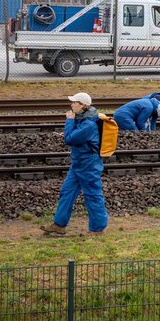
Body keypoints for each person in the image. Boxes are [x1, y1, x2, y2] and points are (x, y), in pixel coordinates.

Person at [42, 92, 107, 235]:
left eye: (74, 102)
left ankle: (98, 229)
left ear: (83, 105)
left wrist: (69, 121)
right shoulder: (83, 119)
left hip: (88, 164)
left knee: (93, 195)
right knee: (67, 192)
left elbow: (70, 140)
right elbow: (73, 136)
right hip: (79, 163)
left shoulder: (89, 124)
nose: (71, 105)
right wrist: (71, 126)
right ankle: (59, 225)